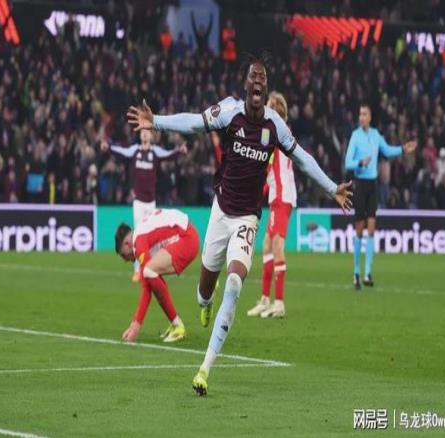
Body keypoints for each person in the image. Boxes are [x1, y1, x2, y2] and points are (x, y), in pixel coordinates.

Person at [127, 53, 353, 396]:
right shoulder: (229, 111)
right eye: (253, 76)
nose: (257, 81)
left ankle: (204, 369)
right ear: (246, 85)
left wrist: (332, 187)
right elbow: (194, 122)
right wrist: (155, 121)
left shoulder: (275, 126)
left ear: (266, 87)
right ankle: (205, 303)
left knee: (234, 283)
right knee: (204, 293)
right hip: (220, 213)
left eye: (263, 77)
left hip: (247, 218)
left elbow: (303, 159)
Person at [345, 103, 417, 290]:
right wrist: (360, 163)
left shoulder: (376, 135)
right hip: (360, 185)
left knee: (371, 229)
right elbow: (347, 162)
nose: (361, 117)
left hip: (372, 185)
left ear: (370, 117)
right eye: (360, 114)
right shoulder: (355, 136)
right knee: (359, 230)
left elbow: (387, 150)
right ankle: (356, 273)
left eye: (364, 114)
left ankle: (368, 272)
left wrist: (403, 149)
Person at [101, 129, 187, 281]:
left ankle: (153, 267)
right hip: (139, 202)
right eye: (143, 132)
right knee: (137, 236)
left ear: (151, 135)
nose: (145, 134)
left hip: (151, 202)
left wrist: (179, 151)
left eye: (148, 131)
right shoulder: (135, 150)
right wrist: (108, 147)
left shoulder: (155, 152)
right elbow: (121, 152)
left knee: (152, 237)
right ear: (140, 135)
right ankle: (137, 270)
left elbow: (169, 154)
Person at [115, 208, 200, 343]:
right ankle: (175, 323)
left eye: (124, 255)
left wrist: (136, 325)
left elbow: (146, 289)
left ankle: (178, 325)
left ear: (126, 244)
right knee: (150, 272)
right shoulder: (141, 234)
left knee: (149, 271)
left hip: (186, 239)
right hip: (188, 234)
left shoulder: (139, 242)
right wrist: (134, 323)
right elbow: (147, 284)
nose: (126, 260)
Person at [247, 92, 295, 319]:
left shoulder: (279, 130)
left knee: (276, 245)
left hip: (283, 197)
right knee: (266, 246)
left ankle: (280, 303)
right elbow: (267, 166)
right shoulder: (272, 131)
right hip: (276, 196)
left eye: (269, 106)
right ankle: (265, 299)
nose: (264, 108)